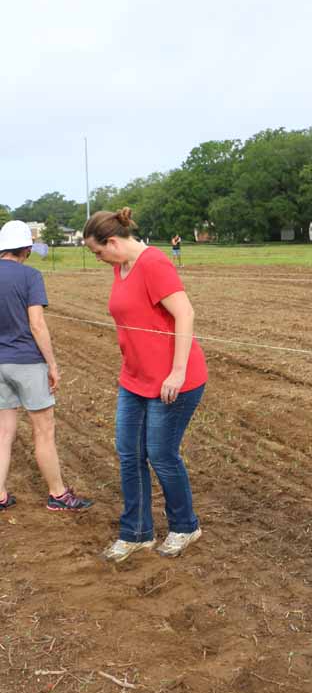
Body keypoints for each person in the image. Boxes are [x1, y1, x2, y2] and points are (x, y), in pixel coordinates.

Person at [83, 209, 207, 564]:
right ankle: (136, 533)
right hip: (134, 379)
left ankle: (185, 526)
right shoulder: (119, 266)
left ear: (113, 241)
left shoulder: (154, 264)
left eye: (98, 251)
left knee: (161, 455)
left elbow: (185, 313)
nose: (99, 259)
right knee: (129, 455)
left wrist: (177, 372)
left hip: (172, 381)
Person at [0, 220, 93, 513]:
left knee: (3, 432)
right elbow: (37, 324)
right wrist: (52, 364)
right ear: (26, 248)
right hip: (27, 362)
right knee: (44, 430)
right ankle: (58, 494)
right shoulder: (30, 276)